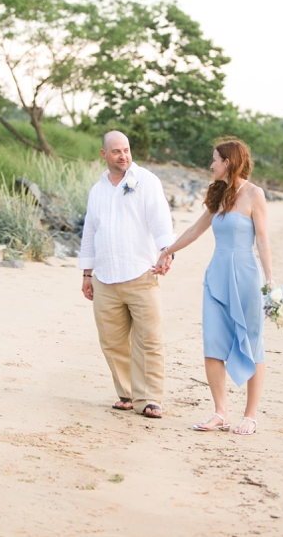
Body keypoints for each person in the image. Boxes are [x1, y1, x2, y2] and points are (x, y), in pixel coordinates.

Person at [155, 138, 272, 435]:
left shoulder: (254, 194)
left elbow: (262, 240)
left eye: (214, 159)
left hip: (246, 278)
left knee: (252, 343)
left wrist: (270, 280)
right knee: (213, 345)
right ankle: (221, 412)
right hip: (217, 277)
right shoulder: (219, 195)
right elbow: (195, 229)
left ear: (228, 162)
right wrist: (167, 251)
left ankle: (250, 415)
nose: (211, 165)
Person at [80, 131, 176, 419]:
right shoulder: (97, 190)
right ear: (104, 154)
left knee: (149, 339)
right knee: (112, 341)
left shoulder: (145, 181)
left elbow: (160, 219)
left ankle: (149, 399)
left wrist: (166, 250)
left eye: (127, 150)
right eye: (117, 151)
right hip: (105, 277)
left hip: (141, 273)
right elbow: (90, 232)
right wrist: (87, 273)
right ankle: (127, 393)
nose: (123, 156)